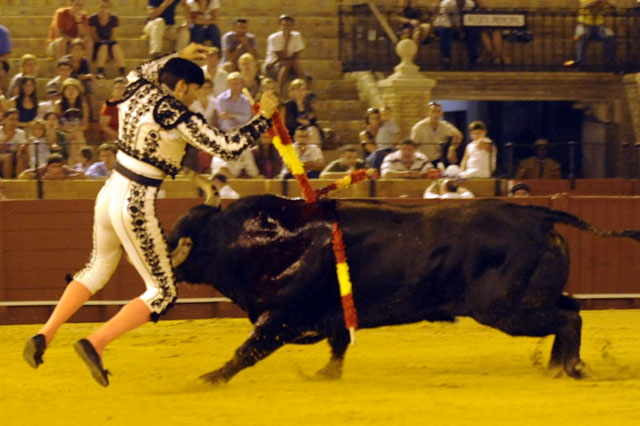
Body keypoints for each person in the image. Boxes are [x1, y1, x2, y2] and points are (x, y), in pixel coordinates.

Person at [22, 43, 278, 387]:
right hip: (136, 200)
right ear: (183, 86)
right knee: (162, 292)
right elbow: (228, 148)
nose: (194, 100)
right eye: (194, 92)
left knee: (96, 268)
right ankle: (95, 343)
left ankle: (45, 333)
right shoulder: (179, 115)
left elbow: (144, 67)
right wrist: (263, 119)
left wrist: (179, 55)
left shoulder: (137, 86)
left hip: (109, 191)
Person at [264, 15, 310, 96]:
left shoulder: (297, 36)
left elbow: (296, 55)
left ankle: (307, 90)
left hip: (289, 63)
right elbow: (281, 57)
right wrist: (286, 41)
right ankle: (279, 90)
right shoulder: (273, 38)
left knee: (293, 62)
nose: (287, 28)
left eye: (289, 25)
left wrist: (289, 60)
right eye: (284, 25)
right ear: (280, 26)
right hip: (273, 65)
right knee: (288, 63)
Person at [564, 0, 617, 70]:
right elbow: (584, 4)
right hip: (584, 25)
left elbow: (614, 4)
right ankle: (580, 63)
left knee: (610, 36)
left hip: (599, 26)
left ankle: (610, 63)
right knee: (581, 36)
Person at [410, 101, 463, 166]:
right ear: (428, 113)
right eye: (433, 111)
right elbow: (412, 147)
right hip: (421, 161)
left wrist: (452, 148)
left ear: (441, 113)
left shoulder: (445, 126)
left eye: (438, 111)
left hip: (436, 160)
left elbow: (458, 135)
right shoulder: (418, 127)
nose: (436, 114)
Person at [433, 0, 479, 67]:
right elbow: (445, 20)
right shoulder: (446, 3)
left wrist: (462, 30)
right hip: (444, 25)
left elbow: (470, 19)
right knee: (445, 31)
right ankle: (446, 57)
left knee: (472, 32)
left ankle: (473, 58)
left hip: (461, 27)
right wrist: (457, 29)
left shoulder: (470, 4)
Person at [89, 0, 127, 79]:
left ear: (109, 8)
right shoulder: (93, 18)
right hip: (98, 44)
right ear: (98, 7)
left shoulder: (113, 19)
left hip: (109, 43)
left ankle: (123, 70)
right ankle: (100, 71)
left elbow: (113, 36)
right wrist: (102, 42)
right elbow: (94, 35)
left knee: (115, 46)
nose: (103, 9)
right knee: (104, 46)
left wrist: (107, 43)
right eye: (101, 7)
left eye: (106, 7)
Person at [55, 77, 89, 158]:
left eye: (73, 89)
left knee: (75, 141)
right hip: (63, 133)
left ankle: (78, 162)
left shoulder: (83, 106)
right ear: (63, 92)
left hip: (77, 132)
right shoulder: (58, 105)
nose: (71, 92)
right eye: (68, 89)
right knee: (75, 138)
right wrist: (65, 128)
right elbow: (55, 124)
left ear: (78, 91)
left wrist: (75, 129)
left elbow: (85, 125)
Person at [284, 78, 322, 146]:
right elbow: (289, 122)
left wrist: (303, 121)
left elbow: (313, 122)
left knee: (313, 130)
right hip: (294, 132)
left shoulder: (307, 105)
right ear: (292, 91)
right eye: (297, 90)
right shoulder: (288, 105)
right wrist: (302, 122)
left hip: (308, 132)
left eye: (303, 90)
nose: (300, 92)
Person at [0, 109, 28, 178]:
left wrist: (21, 149)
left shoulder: (20, 133)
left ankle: (19, 181)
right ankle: (8, 182)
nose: (14, 122)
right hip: (1, 155)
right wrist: (6, 140)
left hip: (14, 155)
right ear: (4, 120)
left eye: (16, 120)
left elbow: (23, 146)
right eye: (11, 119)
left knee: (21, 157)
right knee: (8, 157)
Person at [18, 153, 84, 180]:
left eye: (59, 166)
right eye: (53, 166)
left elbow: (82, 175)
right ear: (48, 167)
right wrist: (41, 177)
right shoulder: (42, 169)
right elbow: (23, 175)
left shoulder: (64, 169)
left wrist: (66, 177)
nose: (56, 169)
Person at [99, 77, 126, 142]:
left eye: (122, 88)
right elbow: (103, 126)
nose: (119, 90)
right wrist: (119, 136)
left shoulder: (129, 103)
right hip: (112, 136)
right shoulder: (109, 105)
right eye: (117, 88)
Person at [0, 25, 10, 97]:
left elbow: (6, 54)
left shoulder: (3, 32)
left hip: (0, 61)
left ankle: (3, 98)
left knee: (1, 73)